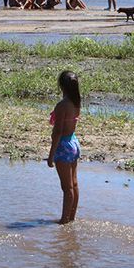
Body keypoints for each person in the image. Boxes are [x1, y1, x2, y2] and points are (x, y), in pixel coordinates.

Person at [48, 71, 82, 224]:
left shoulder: (62, 105)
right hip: (73, 142)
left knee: (66, 187)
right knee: (73, 184)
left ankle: (63, 220)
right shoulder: (76, 102)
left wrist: (51, 155)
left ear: (61, 86)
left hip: (64, 145)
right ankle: (71, 218)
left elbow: (58, 132)